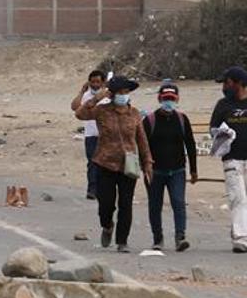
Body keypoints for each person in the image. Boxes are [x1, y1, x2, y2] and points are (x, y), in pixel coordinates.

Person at [75, 75, 153, 253]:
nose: (123, 95)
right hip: (105, 163)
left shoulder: (134, 113)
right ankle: (107, 225)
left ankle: (122, 241)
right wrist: (96, 98)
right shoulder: (102, 111)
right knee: (106, 204)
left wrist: (147, 162)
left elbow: (142, 140)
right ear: (112, 94)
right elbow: (79, 114)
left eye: (126, 92)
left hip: (129, 165)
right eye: (120, 92)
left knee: (126, 204)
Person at [143, 82, 197, 252]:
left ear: (177, 99)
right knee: (155, 205)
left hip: (177, 170)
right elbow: (143, 146)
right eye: (165, 98)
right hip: (155, 172)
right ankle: (157, 239)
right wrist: (146, 167)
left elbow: (190, 144)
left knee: (178, 202)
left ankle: (180, 237)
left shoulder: (182, 119)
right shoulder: (149, 120)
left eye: (171, 99)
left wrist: (194, 170)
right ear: (159, 98)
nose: (168, 102)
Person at [210, 65, 247, 253]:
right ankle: (241, 238)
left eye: (227, 83)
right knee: (237, 197)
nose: (224, 86)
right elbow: (213, 130)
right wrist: (223, 134)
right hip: (232, 159)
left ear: (239, 83)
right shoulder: (222, 105)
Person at [71, 70, 108, 200]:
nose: (95, 84)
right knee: (92, 163)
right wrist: (81, 91)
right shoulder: (86, 96)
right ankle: (92, 189)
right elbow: (75, 107)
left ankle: (104, 189)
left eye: (98, 81)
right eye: (92, 82)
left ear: (102, 82)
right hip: (91, 135)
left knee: (105, 164)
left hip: (105, 135)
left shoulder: (108, 96)